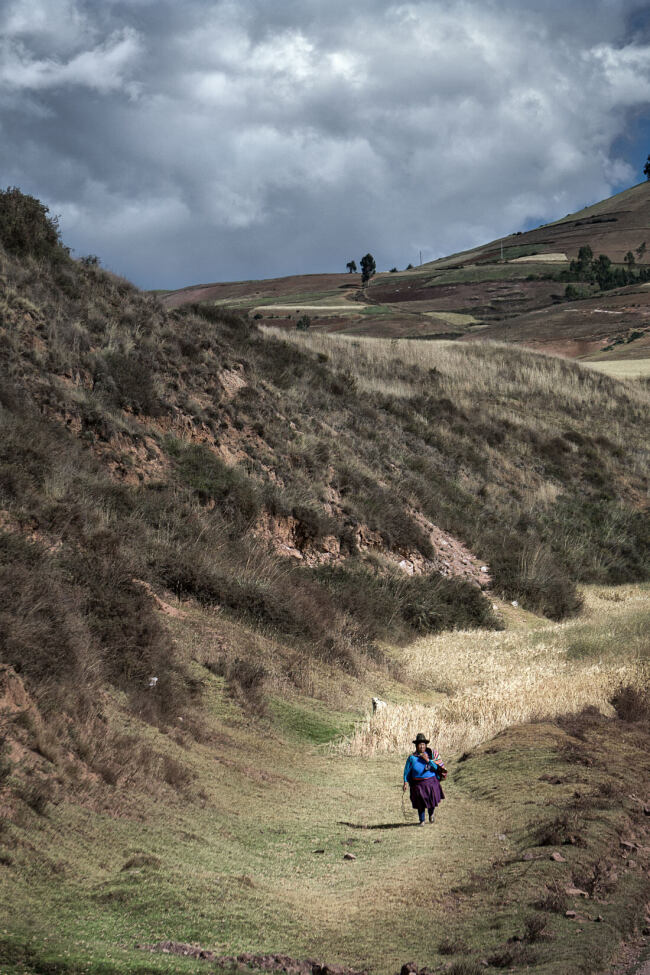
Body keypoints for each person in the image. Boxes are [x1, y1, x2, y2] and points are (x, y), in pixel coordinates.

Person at [402, 733, 445, 825]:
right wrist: (405, 781)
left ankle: (431, 814)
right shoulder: (412, 758)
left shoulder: (431, 755)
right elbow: (407, 770)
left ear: (426, 745)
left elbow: (437, 768)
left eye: (423, 744)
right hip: (418, 784)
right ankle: (422, 820)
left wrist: (428, 761)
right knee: (420, 802)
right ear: (416, 746)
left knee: (431, 800)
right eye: (420, 744)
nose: (422, 746)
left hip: (431, 782)